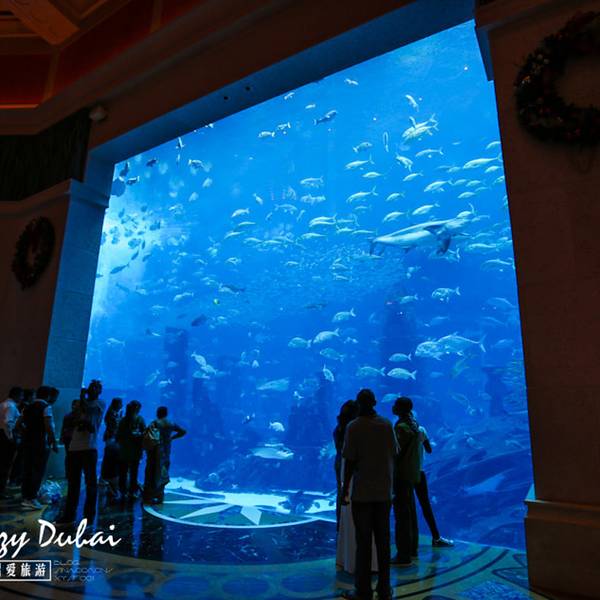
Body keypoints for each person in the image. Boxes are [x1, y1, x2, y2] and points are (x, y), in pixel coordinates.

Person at [341, 389, 397, 600]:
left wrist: (345, 489)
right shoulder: (386, 424)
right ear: (375, 402)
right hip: (384, 492)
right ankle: (384, 589)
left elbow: (350, 461)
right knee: (383, 541)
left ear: (359, 404)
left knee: (363, 543)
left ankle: (362, 590)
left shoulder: (354, 427)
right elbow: (394, 453)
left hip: (362, 493)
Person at [58, 381, 104, 524]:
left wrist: (82, 398)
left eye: (96, 388)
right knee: (73, 483)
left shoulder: (100, 404)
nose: (93, 390)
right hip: (74, 447)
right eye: (91, 387)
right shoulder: (80, 404)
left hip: (90, 448)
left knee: (91, 484)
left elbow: (89, 412)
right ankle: (69, 514)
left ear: (100, 391)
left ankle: (89, 516)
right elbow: (75, 417)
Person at [392, 397, 421, 566]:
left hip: (401, 475)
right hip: (411, 473)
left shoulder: (402, 427)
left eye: (395, 405)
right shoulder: (413, 423)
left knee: (401, 515)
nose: (393, 407)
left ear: (401, 408)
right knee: (410, 513)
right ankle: (412, 549)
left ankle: (403, 554)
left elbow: (396, 452)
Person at [414, 420, 454, 548]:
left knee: (406, 507)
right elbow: (429, 450)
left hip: (403, 474)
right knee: (426, 505)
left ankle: (410, 540)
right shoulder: (420, 429)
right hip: (418, 472)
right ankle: (436, 537)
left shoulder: (396, 429)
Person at [20, 386, 59, 510]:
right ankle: (32, 497)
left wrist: (26, 433)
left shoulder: (28, 406)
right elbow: (49, 426)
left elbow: (19, 423)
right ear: (48, 395)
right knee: (38, 470)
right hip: (40, 443)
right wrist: (53, 442)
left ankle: (25, 496)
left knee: (27, 469)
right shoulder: (46, 407)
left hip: (27, 442)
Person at [143, 406, 186, 504]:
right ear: (166, 413)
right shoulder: (171, 423)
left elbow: (148, 436)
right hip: (166, 452)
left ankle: (150, 495)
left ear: (158, 413)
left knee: (152, 472)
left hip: (155, 451)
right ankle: (160, 495)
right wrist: (172, 438)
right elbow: (183, 432)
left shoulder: (155, 423)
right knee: (163, 473)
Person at [334, 400, 358, 529]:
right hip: (351, 465)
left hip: (340, 464)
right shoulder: (353, 429)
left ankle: (341, 526)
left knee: (341, 494)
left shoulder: (338, 429)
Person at [117, 400, 145, 499]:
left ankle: (123, 491)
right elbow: (144, 434)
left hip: (125, 450)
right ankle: (131, 491)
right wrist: (137, 435)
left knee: (123, 472)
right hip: (134, 451)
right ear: (137, 408)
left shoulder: (123, 420)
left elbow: (118, 436)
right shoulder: (140, 419)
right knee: (133, 472)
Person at [0, 387, 23, 498]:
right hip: (5, 437)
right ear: (16, 395)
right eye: (21, 395)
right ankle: (1, 491)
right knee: (5, 464)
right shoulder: (11, 406)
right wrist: (10, 437)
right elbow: (8, 423)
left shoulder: (2, 404)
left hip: (1, 435)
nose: (22, 398)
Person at [100, 398, 123, 500]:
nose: (122, 405)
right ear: (116, 404)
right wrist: (120, 420)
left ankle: (105, 479)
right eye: (120, 403)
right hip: (111, 438)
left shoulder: (114, 413)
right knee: (109, 459)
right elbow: (114, 426)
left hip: (111, 437)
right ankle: (106, 479)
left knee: (108, 459)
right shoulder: (112, 414)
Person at [60, 400, 81, 475]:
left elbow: (63, 428)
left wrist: (62, 436)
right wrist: (62, 437)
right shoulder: (69, 416)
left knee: (71, 457)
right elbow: (64, 427)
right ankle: (69, 473)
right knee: (70, 456)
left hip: (72, 438)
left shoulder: (69, 415)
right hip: (70, 438)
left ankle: (70, 473)